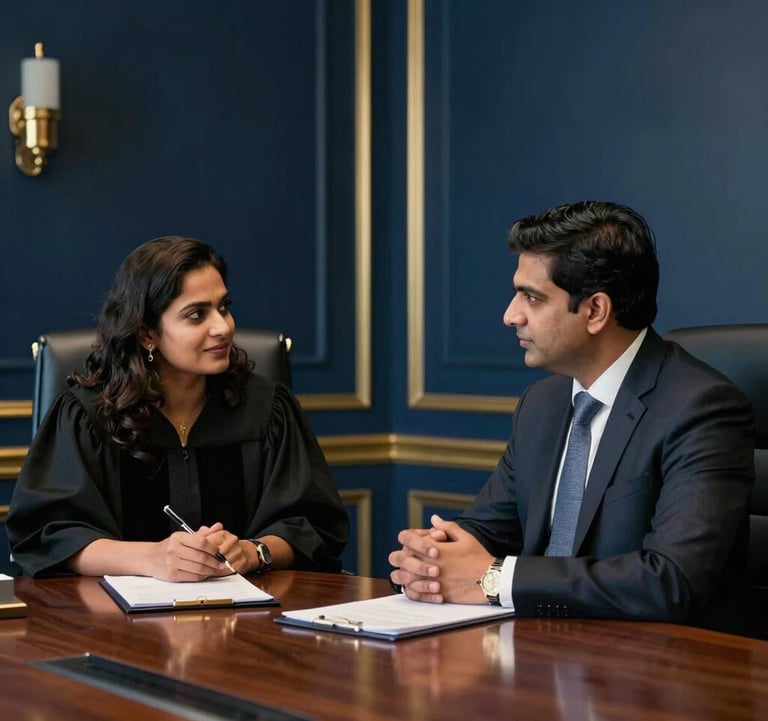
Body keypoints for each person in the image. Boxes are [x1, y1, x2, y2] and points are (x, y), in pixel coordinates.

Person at [389, 200, 754, 628]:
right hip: (541, 647)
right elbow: (488, 530)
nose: (510, 315)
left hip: (656, 660)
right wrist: (433, 556)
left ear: (595, 311)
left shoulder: (701, 408)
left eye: (532, 297)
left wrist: (495, 578)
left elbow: (672, 581)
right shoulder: (542, 403)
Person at [8, 236, 349, 580]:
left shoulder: (267, 409)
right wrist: (149, 558)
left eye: (224, 307)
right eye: (196, 314)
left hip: (252, 606)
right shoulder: (87, 415)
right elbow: (48, 535)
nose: (223, 327)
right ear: (147, 334)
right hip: (112, 611)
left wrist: (252, 551)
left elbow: (314, 525)